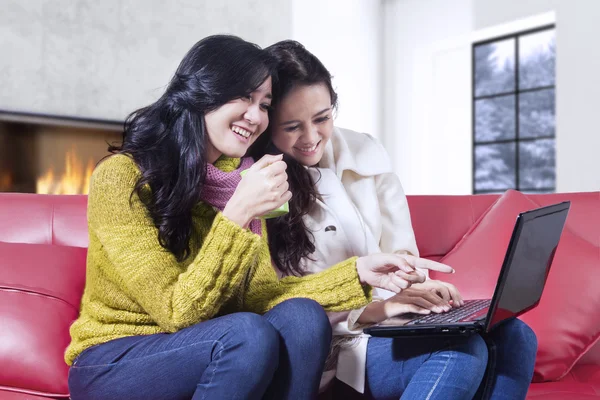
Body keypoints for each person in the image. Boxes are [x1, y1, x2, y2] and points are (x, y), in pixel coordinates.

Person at [64, 35, 453, 400]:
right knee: (246, 332)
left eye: (265, 104)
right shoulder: (121, 176)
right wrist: (237, 214)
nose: (255, 116)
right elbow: (176, 312)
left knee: (301, 316)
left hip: (217, 342)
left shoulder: (242, 177)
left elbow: (263, 298)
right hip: (114, 358)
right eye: (244, 98)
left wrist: (359, 273)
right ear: (201, 95)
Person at [249, 39, 538, 400]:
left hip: (388, 324)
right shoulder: (259, 183)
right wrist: (378, 309)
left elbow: (402, 255)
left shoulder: (365, 153)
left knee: (517, 336)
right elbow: (279, 307)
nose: (311, 138)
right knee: (462, 351)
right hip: (335, 346)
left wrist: (419, 291)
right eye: (291, 126)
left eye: (322, 119)